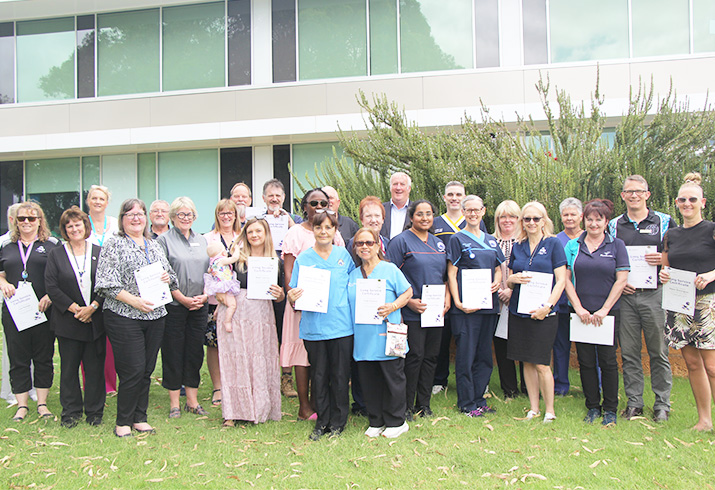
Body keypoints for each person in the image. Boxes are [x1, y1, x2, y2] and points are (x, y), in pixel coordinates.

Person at [95, 198, 178, 437]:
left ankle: (140, 417)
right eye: (130, 214)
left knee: (147, 369)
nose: (136, 218)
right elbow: (106, 283)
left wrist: (166, 278)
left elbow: (172, 277)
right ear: (122, 219)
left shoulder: (155, 245)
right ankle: (123, 421)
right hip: (124, 315)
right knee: (132, 369)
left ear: (146, 218)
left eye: (140, 213)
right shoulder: (114, 244)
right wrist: (135, 301)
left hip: (155, 316)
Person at [608, 175, 675, 422]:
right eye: (629, 191)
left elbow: (678, 254)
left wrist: (664, 262)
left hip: (655, 295)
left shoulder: (665, 221)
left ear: (647, 194)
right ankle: (634, 403)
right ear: (623, 196)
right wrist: (618, 282)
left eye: (639, 191)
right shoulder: (614, 225)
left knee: (658, 351)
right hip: (626, 297)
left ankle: (662, 405)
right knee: (629, 352)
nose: (634, 195)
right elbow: (608, 256)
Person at [287, 211, 355, 440]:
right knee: (319, 375)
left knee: (340, 374)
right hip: (314, 328)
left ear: (335, 230)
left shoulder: (343, 256)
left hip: (341, 326)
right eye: (319, 227)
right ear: (313, 230)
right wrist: (291, 296)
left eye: (328, 227)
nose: (323, 232)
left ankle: (338, 421)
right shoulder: (304, 259)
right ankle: (322, 421)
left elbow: (353, 287)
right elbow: (293, 292)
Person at [281, 189, 345, 418]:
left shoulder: (334, 235)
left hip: (328, 310)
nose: (318, 206)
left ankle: (322, 402)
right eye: (313, 202)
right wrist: (294, 298)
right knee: (302, 356)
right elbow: (289, 272)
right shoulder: (295, 233)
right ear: (304, 206)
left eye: (323, 203)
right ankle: (304, 406)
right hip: (300, 305)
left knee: (322, 356)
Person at [564, 199, 629, 426]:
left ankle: (610, 408)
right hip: (580, 312)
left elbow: (621, 280)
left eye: (598, 219)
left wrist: (604, 309)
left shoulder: (616, 245)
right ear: (585, 220)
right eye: (590, 219)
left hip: (608, 313)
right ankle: (592, 406)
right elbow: (565, 279)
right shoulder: (573, 246)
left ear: (606, 222)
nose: (593, 224)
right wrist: (579, 308)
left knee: (608, 361)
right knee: (585, 360)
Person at [660, 172, 715, 431]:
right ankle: (704, 420)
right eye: (682, 200)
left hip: (707, 303)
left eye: (692, 199)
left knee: (712, 366)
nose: (687, 204)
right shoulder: (671, 234)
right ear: (676, 202)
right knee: (692, 363)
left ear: (703, 202)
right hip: (680, 305)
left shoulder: (712, 230)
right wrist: (664, 274)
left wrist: (711, 274)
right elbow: (667, 268)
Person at [216, 217, 284, 426]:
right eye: (250, 232)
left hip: (262, 315)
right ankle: (233, 411)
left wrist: (280, 293)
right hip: (234, 314)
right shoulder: (235, 259)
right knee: (235, 361)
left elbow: (280, 298)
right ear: (245, 235)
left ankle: (259, 409)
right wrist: (221, 294)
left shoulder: (275, 262)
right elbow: (219, 281)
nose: (254, 235)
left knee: (259, 359)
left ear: (266, 235)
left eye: (258, 232)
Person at [386, 200, 450, 419]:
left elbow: (445, 276)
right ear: (411, 217)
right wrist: (410, 300)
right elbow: (391, 277)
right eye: (420, 214)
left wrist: (447, 298)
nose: (425, 218)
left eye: (429, 214)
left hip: (434, 312)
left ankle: (424, 404)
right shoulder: (400, 242)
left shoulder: (439, 243)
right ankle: (406, 406)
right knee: (414, 357)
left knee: (431, 357)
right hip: (413, 311)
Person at [348, 227, 412, 438]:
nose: (365, 247)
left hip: (388, 336)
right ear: (355, 248)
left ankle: (397, 422)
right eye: (360, 243)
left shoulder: (390, 269)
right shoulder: (353, 275)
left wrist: (393, 306)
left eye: (369, 243)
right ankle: (375, 420)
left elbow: (408, 291)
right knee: (369, 381)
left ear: (378, 246)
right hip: (364, 338)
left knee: (392, 379)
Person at [506, 201, 567, 423]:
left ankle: (549, 410)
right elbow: (511, 279)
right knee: (526, 361)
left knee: (542, 363)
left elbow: (561, 280)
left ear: (544, 221)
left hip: (544, 313)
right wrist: (510, 280)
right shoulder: (518, 246)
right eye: (527, 219)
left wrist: (548, 307)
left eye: (536, 219)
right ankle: (533, 408)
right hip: (519, 312)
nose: (531, 223)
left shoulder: (553, 244)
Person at [45, 206, 105, 427]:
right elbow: (51, 286)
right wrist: (76, 309)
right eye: (69, 225)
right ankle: (70, 413)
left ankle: (95, 413)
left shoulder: (99, 251)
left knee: (94, 369)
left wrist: (93, 307)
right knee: (69, 369)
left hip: (95, 321)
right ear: (64, 229)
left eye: (78, 224)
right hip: (68, 321)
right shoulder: (56, 253)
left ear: (85, 226)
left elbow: (106, 283)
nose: (74, 228)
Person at [0, 201, 59, 421]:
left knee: (43, 357)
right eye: (21, 218)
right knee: (18, 358)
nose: (26, 222)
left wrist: (50, 295)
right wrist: (3, 283)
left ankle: (42, 403)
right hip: (15, 311)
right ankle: (22, 405)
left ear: (40, 221)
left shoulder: (52, 245)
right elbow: (0, 272)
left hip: (43, 310)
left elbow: (61, 275)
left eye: (31, 218)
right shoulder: (7, 245)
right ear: (15, 221)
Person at [446, 196, 504, 417]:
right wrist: (458, 302)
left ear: (483, 211)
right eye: (468, 210)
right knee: (466, 356)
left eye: (476, 210)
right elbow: (452, 274)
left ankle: (480, 399)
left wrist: (498, 279)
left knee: (484, 356)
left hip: (488, 307)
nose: (472, 214)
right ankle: (467, 403)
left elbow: (498, 267)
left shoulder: (491, 240)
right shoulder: (457, 239)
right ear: (463, 212)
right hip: (466, 310)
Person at [432, 181, 487, 396]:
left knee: (470, 338)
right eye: (450, 194)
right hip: (441, 285)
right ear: (444, 197)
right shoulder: (436, 223)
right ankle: (440, 379)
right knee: (442, 335)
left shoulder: (476, 224)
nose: (454, 198)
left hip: (471, 289)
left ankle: (477, 379)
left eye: (458, 194)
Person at [157, 197, 210, 419]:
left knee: (194, 353)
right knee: (173, 352)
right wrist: (181, 297)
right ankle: (174, 403)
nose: (185, 218)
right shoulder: (162, 241)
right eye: (180, 214)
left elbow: (213, 272)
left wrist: (205, 296)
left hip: (199, 305)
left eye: (189, 214)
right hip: (175, 306)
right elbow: (162, 274)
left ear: (195, 217)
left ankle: (192, 400)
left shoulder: (203, 240)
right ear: (172, 217)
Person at [203, 200, 242, 407]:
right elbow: (204, 266)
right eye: (222, 213)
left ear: (236, 215)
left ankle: (235, 384)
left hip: (237, 296)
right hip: (213, 299)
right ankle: (218, 387)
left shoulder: (242, 237)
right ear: (216, 216)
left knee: (236, 341)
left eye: (230, 213)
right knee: (214, 344)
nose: (226, 216)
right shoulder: (208, 238)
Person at [85, 184, 119, 395]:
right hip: (86, 286)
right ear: (88, 201)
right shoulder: (81, 223)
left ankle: (110, 384)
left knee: (110, 339)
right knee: (89, 338)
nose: (98, 202)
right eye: (94, 198)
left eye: (102, 198)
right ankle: (91, 382)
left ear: (107, 202)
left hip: (113, 287)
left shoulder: (115, 224)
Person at [492, 200, 526, 399]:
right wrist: (499, 291)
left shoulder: (525, 242)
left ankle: (527, 387)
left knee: (522, 344)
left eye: (512, 216)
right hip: (496, 301)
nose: (507, 220)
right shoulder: (489, 241)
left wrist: (511, 291)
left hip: (519, 299)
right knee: (501, 346)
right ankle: (509, 389)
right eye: (503, 216)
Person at [554, 197, 584, 396]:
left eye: (573, 214)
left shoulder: (591, 237)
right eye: (566, 215)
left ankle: (594, 385)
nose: (569, 218)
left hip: (584, 304)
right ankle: (560, 386)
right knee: (560, 346)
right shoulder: (556, 240)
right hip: (561, 303)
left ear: (581, 216)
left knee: (588, 348)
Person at [203, 242, 241, 329]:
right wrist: (237, 249)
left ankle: (216, 314)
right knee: (232, 305)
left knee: (222, 302)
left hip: (218, 289)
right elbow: (234, 258)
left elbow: (210, 271)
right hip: (224, 287)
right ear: (223, 252)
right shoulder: (221, 260)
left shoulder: (212, 263)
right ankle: (227, 322)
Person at [381, 172, 413, 239]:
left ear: (409, 189)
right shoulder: (380, 210)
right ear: (390, 188)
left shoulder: (416, 210)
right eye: (395, 184)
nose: (398, 188)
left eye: (402, 184)